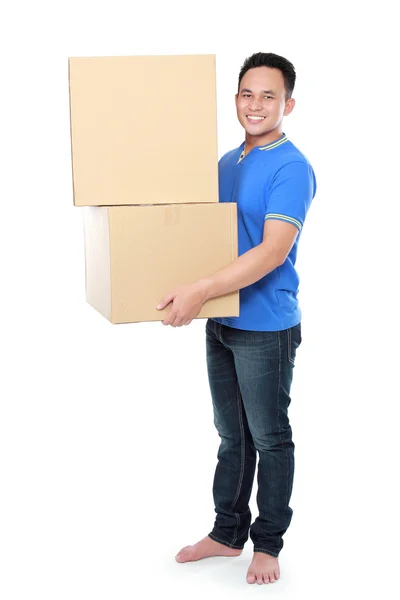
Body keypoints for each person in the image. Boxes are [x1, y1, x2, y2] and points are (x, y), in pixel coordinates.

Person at [157, 52, 317, 586]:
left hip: (267, 327)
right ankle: (228, 533)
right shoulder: (227, 162)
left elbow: (272, 251)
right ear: (235, 100)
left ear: (287, 104)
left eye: (268, 96)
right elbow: (200, 233)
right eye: (247, 94)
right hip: (222, 320)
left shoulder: (293, 167)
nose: (255, 104)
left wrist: (200, 289)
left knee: (270, 437)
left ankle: (267, 543)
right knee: (231, 436)